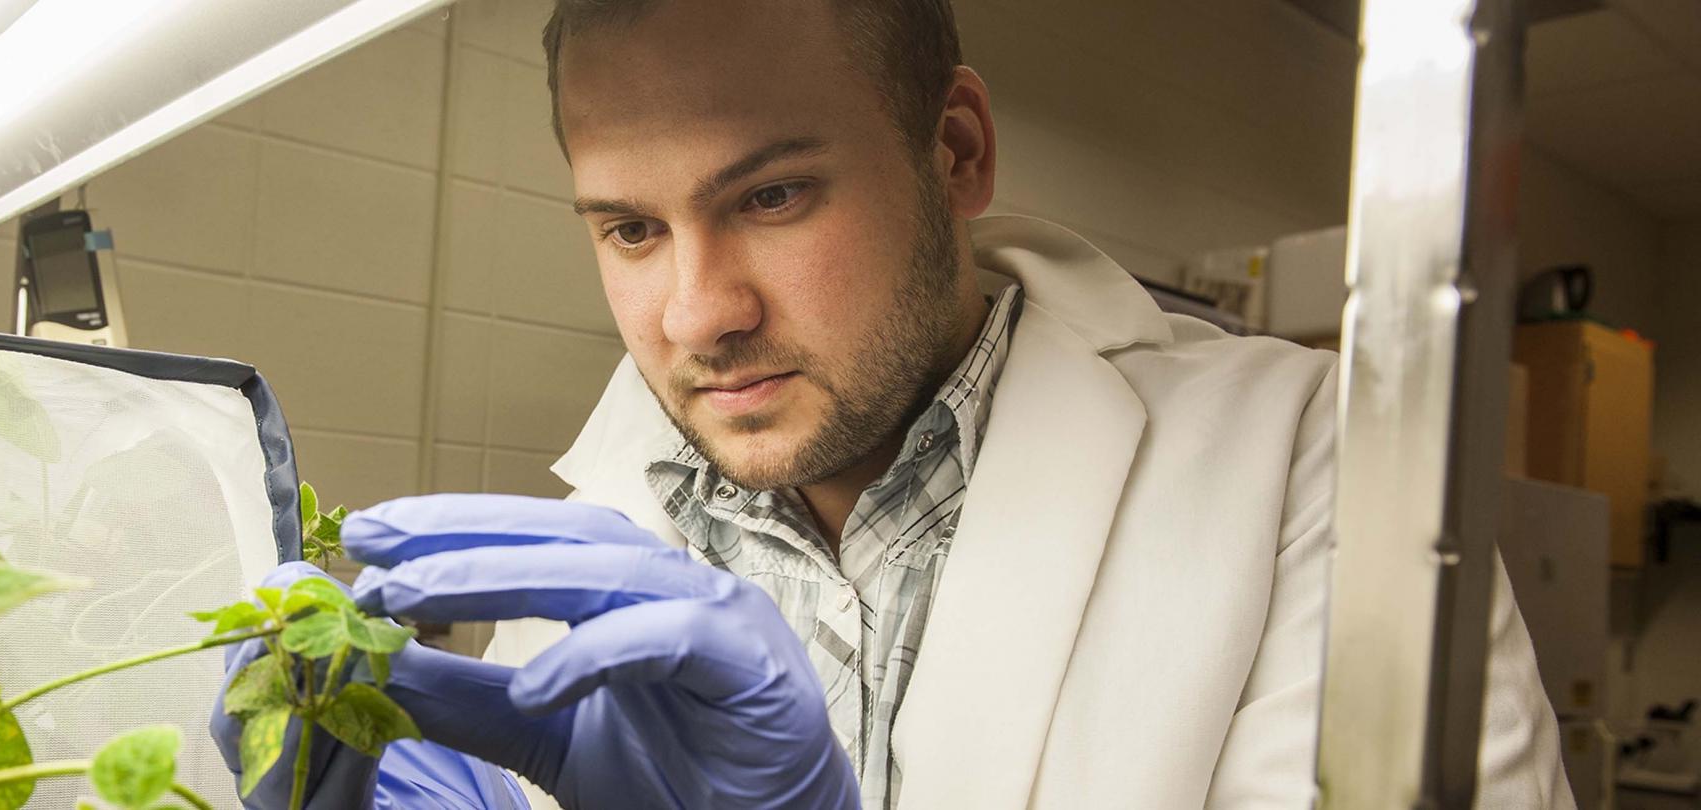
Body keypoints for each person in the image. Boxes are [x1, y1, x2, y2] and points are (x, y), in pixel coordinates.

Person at [211, 0, 1575, 807]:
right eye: (630, 229)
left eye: (772, 195)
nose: (697, 313)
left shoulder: (1302, 461)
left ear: (958, 152)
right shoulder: (605, 527)